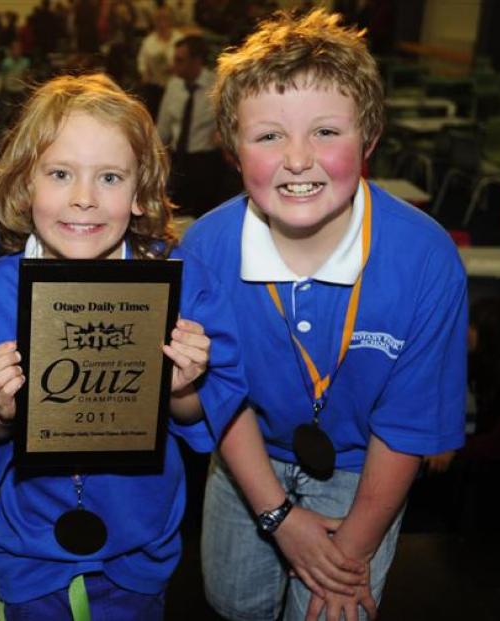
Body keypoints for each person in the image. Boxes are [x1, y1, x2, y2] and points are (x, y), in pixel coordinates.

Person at [181, 10, 467, 621]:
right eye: (268, 136)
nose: (298, 159)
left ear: (369, 135)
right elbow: (218, 395)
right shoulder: (205, 249)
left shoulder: (425, 258)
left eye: (326, 132)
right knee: (232, 603)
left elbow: (408, 425)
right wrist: (279, 519)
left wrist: (352, 552)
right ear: (232, 149)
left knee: (336, 608)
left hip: (363, 466)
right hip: (246, 453)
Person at [0, 74, 247, 619]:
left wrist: (184, 388)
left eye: (110, 177)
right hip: (30, 550)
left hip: (141, 544)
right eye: (60, 174)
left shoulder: (180, 285)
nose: (84, 198)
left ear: (140, 191)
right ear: (27, 185)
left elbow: (208, 414)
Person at [157, 35, 240, 218]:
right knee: (176, 215)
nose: (174, 65)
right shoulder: (173, 86)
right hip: (178, 160)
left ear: (196, 61)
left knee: (206, 215)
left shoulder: (215, 85)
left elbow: (230, 121)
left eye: (180, 60)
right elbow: (163, 128)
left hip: (206, 162)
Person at [136, 5, 181, 120]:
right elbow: (142, 61)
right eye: (158, 19)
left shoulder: (179, 38)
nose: (161, 22)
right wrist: (144, 72)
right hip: (155, 84)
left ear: (171, 20)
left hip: (176, 82)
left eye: (165, 18)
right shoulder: (149, 41)